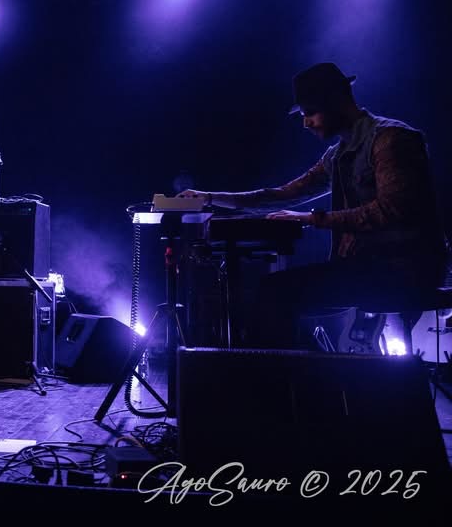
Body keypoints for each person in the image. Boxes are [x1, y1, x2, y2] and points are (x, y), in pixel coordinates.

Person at [179, 62, 448, 348]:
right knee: (276, 294)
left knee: (277, 292)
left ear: (336, 101)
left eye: (310, 112)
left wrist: (312, 218)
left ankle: (277, 375)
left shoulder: (392, 139)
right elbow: (282, 194)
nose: (305, 122)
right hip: (368, 268)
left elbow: (392, 210)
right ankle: (296, 373)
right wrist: (209, 197)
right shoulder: (337, 154)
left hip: (405, 270)